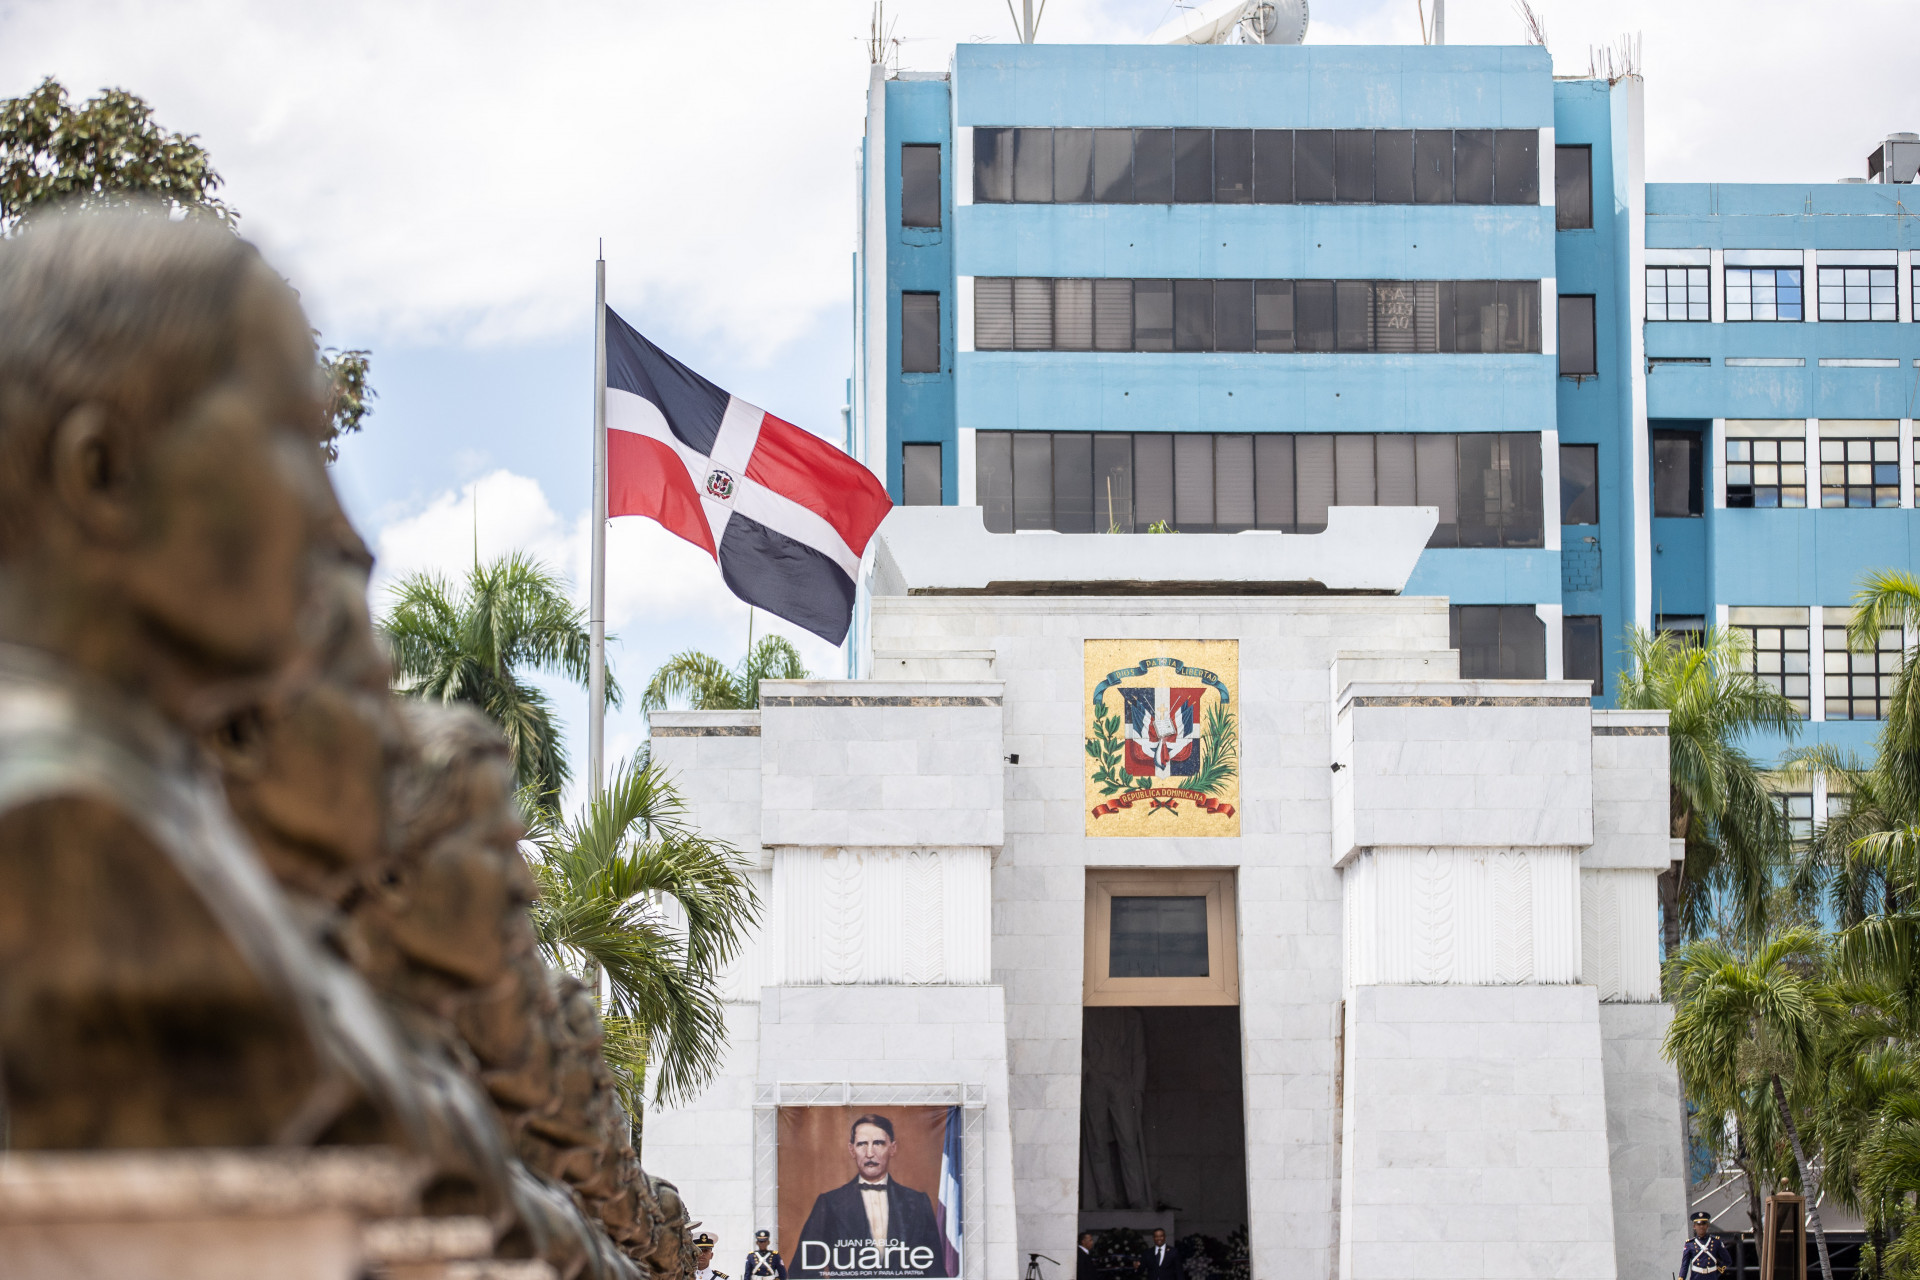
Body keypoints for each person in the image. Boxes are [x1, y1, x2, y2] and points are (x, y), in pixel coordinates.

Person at [793, 1113, 945, 1277]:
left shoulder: (919, 1203)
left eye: (878, 1143)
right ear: (852, 1150)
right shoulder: (829, 1204)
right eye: (862, 1144)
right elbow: (801, 1273)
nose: (870, 1153)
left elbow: (936, 1273)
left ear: (892, 1148)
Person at [1680, 1211, 1733, 1278]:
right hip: (1696, 1277)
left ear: (1707, 1226)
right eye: (1699, 1224)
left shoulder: (1716, 1241)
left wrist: (1718, 1272)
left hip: (1711, 1276)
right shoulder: (1690, 1244)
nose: (1701, 1227)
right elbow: (1685, 1265)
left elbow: (1727, 1260)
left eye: (1704, 1224)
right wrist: (1681, 1277)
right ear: (1694, 1226)